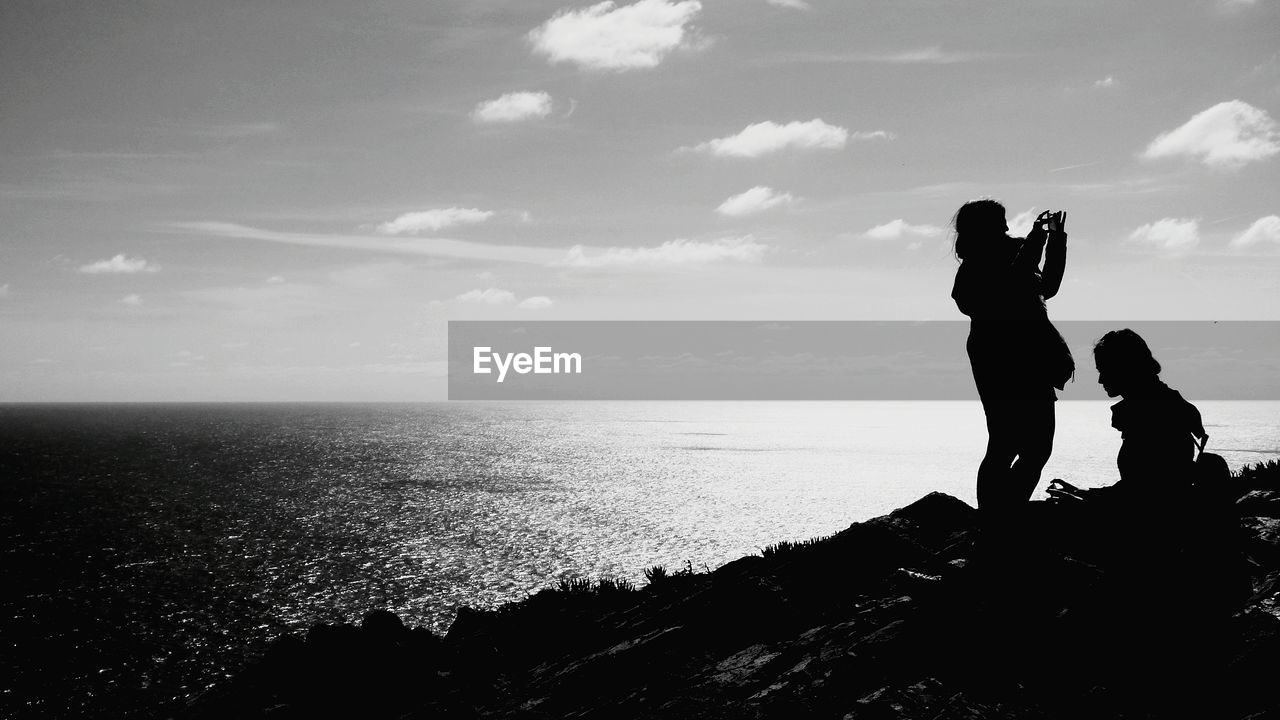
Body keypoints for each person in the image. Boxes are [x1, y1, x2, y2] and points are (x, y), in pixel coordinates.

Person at [951, 199, 1072, 514]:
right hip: (997, 354)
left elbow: (1048, 286)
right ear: (983, 228)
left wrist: (1056, 240)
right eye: (999, 222)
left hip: (1031, 353)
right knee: (1006, 443)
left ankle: (1005, 510)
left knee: (1037, 447)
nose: (1006, 227)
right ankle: (995, 515)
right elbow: (1010, 287)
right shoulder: (973, 268)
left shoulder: (1016, 249)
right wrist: (1035, 242)